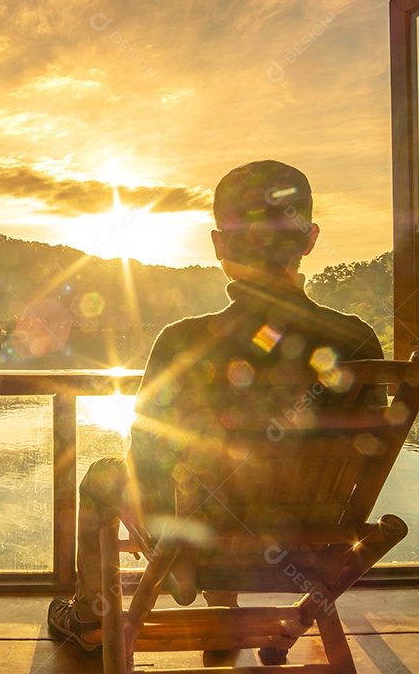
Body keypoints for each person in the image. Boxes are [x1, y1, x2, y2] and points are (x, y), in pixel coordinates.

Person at [47, 160, 385, 655]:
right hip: (311, 546)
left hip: (198, 543)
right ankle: (223, 601)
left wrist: (175, 539)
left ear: (219, 246)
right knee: (230, 477)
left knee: (106, 473)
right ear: (310, 239)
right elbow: (368, 448)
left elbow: (146, 462)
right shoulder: (357, 341)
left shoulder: (183, 342)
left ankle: (91, 614)